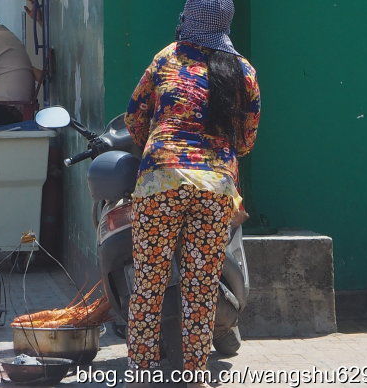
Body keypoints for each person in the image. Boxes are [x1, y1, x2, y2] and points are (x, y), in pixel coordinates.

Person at [124, 0, 261, 386]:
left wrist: (156, 143)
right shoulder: (243, 70)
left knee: (149, 280)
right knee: (201, 286)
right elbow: (247, 140)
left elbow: (135, 117)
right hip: (217, 185)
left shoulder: (167, 57)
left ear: (190, 17)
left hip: (162, 179)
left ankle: (142, 372)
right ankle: (196, 374)